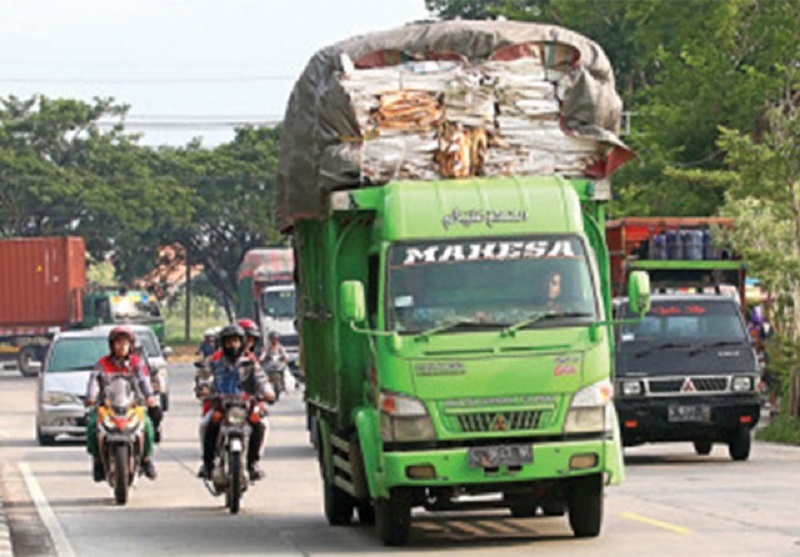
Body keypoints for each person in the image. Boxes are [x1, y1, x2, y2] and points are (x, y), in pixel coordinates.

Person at [196, 324, 275, 481]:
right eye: (229, 342)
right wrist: (203, 388)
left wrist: (267, 392)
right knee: (207, 424)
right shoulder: (214, 363)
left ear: (242, 343)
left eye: (236, 341)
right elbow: (204, 377)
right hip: (221, 406)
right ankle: (207, 464)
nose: (233, 345)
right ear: (223, 344)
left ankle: (253, 463)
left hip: (245, 407)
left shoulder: (250, 363)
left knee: (261, 424)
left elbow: (262, 379)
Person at [86, 326, 159, 481]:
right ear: (112, 345)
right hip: (107, 406)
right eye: (118, 343)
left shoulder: (136, 363)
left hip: (132, 406)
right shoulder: (102, 364)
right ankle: (98, 461)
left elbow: (144, 382)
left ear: (130, 346)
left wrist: (150, 397)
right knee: (93, 426)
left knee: (147, 426)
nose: (121, 346)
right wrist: (90, 398)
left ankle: (146, 459)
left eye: (124, 343)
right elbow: (93, 381)